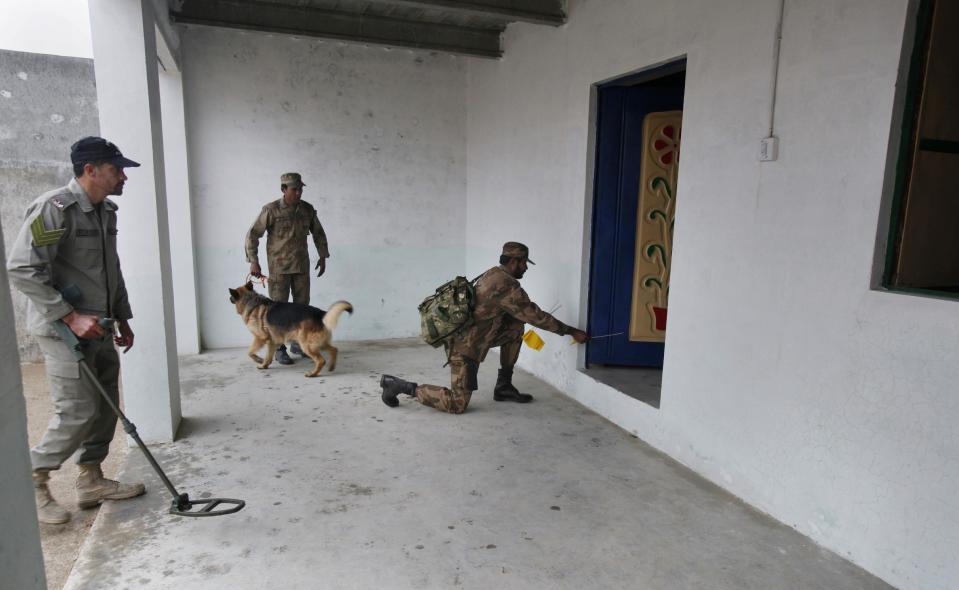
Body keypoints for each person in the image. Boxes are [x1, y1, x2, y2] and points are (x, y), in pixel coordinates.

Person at [6, 136, 146, 525]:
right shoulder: (56, 210)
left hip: (100, 327)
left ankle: (91, 480)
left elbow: (110, 271)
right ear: (91, 170)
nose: (123, 177)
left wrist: (123, 317)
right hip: (65, 332)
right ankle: (32, 478)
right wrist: (69, 317)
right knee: (77, 410)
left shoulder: (105, 212)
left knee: (104, 408)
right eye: (117, 169)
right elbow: (22, 268)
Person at [380, 242, 588, 413]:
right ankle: (400, 386)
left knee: (515, 327)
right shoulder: (505, 284)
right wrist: (571, 331)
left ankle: (503, 386)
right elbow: (535, 316)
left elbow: (519, 315)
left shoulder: (493, 273)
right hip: (464, 346)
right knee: (457, 404)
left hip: (477, 337)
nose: (526, 268)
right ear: (514, 261)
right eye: (524, 263)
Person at [245, 172, 330, 365]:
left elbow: (318, 232)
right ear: (284, 190)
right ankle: (279, 349)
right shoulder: (271, 210)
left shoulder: (307, 210)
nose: (299, 193)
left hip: (301, 266)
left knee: (302, 307)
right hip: (279, 268)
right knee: (277, 311)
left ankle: (299, 344)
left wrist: (323, 255)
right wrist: (253, 260)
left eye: (300, 189)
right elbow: (252, 235)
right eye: (294, 189)